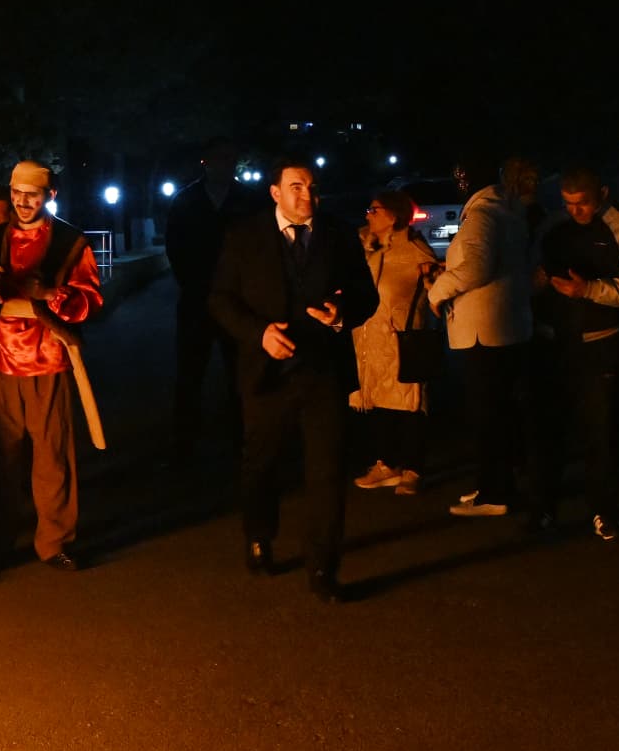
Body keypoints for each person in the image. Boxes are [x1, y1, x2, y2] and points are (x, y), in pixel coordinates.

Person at [208, 157, 379, 600]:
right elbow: (221, 299)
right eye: (297, 187)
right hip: (267, 375)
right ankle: (260, 536)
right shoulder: (245, 236)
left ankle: (323, 566)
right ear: (275, 192)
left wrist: (343, 314)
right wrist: (258, 333)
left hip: (323, 372)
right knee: (261, 465)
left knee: (326, 472)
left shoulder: (338, 233)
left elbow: (366, 293)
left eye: (313, 187)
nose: (308, 196)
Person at [0, 160, 105, 571]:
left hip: (49, 359)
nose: (24, 202)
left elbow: (91, 298)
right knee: (0, 456)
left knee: (53, 458)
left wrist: (51, 294)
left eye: (33, 194)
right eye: (17, 193)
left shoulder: (70, 242)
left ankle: (55, 541)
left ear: (50, 196)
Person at [534, 167, 619, 538]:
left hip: (601, 343)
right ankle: (543, 510)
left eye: (582, 204)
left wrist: (589, 290)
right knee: (548, 432)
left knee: (601, 433)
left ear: (601, 194)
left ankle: (604, 511)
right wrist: (535, 285)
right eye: (569, 204)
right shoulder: (554, 228)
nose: (576, 211)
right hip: (556, 343)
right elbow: (534, 272)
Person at [429, 152, 538, 519]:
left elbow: (476, 267)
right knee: (500, 411)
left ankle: (495, 491)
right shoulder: (506, 211)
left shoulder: (481, 215)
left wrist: (438, 290)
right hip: (504, 325)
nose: (457, 182)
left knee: (487, 414)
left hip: (482, 332)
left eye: (460, 176)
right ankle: (496, 481)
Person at [352, 189, 439, 494]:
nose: (368, 214)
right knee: (378, 402)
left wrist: (434, 288)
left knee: (410, 403)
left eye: (373, 210)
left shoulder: (414, 249)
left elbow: (436, 285)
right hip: (370, 339)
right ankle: (386, 463)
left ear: (393, 215)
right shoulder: (366, 248)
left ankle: (414, 468)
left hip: (403, 339)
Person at [164, 142, 241, 463]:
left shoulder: (248, 200)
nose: (223, 165)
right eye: (217, 159)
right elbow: (175, 247)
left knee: (239, 374)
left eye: (228, 159)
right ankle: (184, 444)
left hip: (239, 301)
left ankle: (241, 439)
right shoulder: (186, 200)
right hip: (197, 299)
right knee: (190, 374)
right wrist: (194, 284)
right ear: (205, 163)